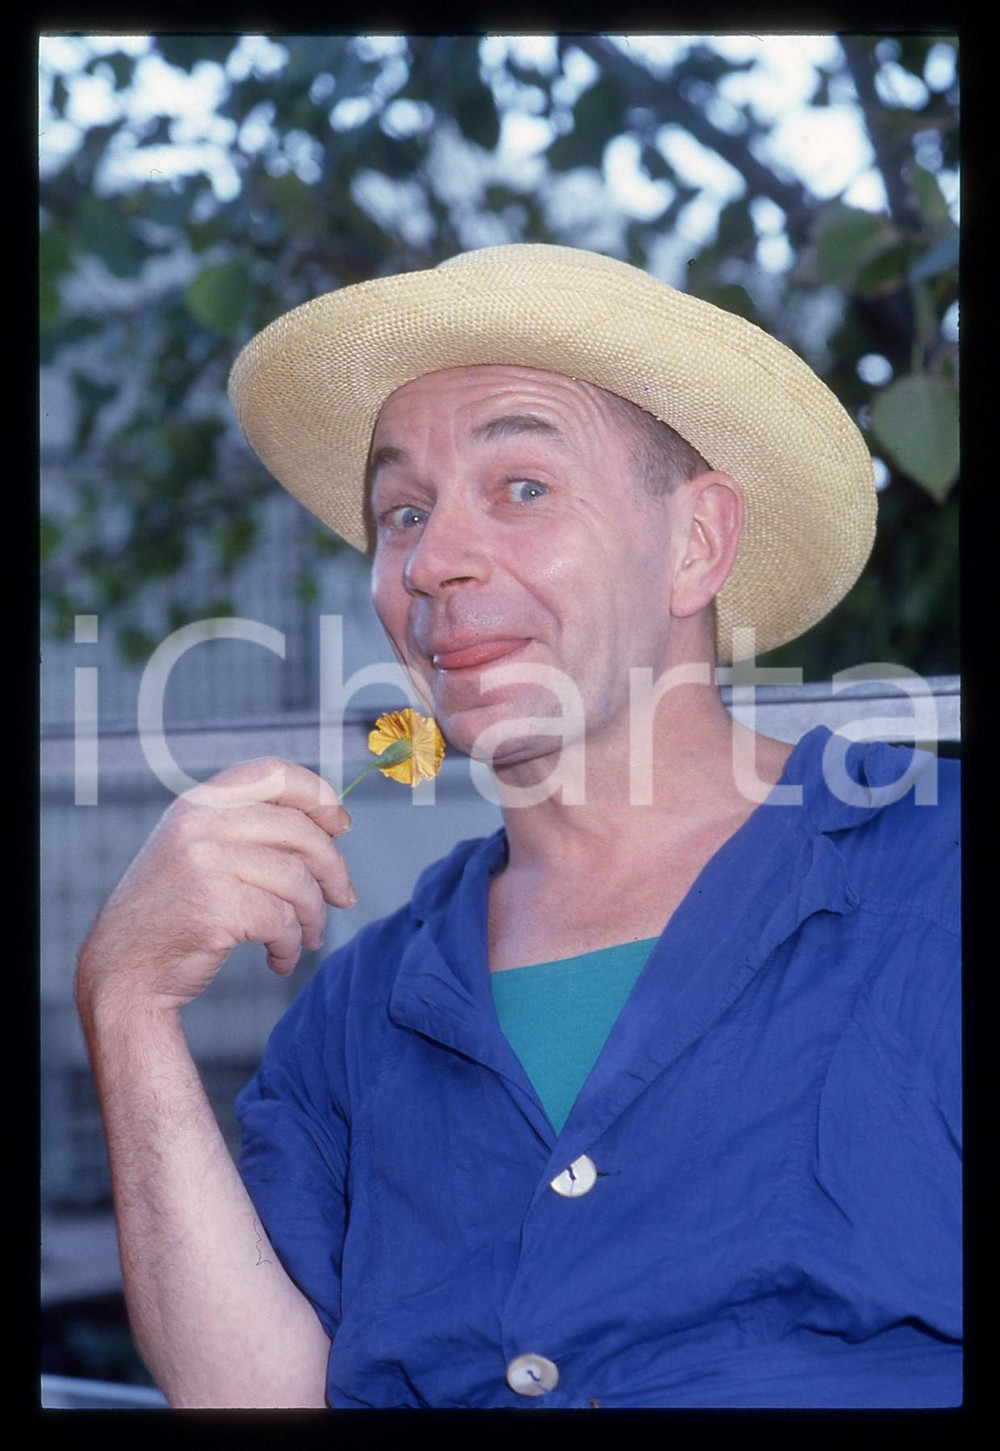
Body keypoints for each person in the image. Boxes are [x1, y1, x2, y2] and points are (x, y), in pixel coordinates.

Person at [75, 244, 960, 1409]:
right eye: (401, 511)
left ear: (695, 543)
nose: (432, 562)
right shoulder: (353, 1014)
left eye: (523, 488)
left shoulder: (933, 885)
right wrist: (126, 998)